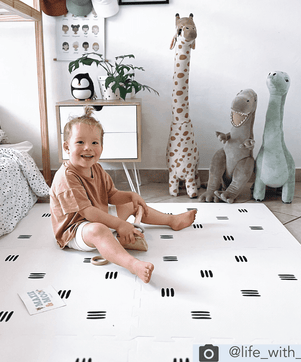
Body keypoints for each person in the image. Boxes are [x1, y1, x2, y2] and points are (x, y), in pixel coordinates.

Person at [50, 106, 197, 283]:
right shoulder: (66, 177)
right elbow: (88, 213)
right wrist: (120, 225)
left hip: (98, 216)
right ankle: (133, 264)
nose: (88, 148)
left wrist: (130, 196)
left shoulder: (96, 168)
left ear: (101, 147)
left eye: (94, 143)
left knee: (133, 205)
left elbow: (112, 195)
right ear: (67, 147)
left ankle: (172, 220)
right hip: (75, 230)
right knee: (99, 229)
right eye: (80, 142)